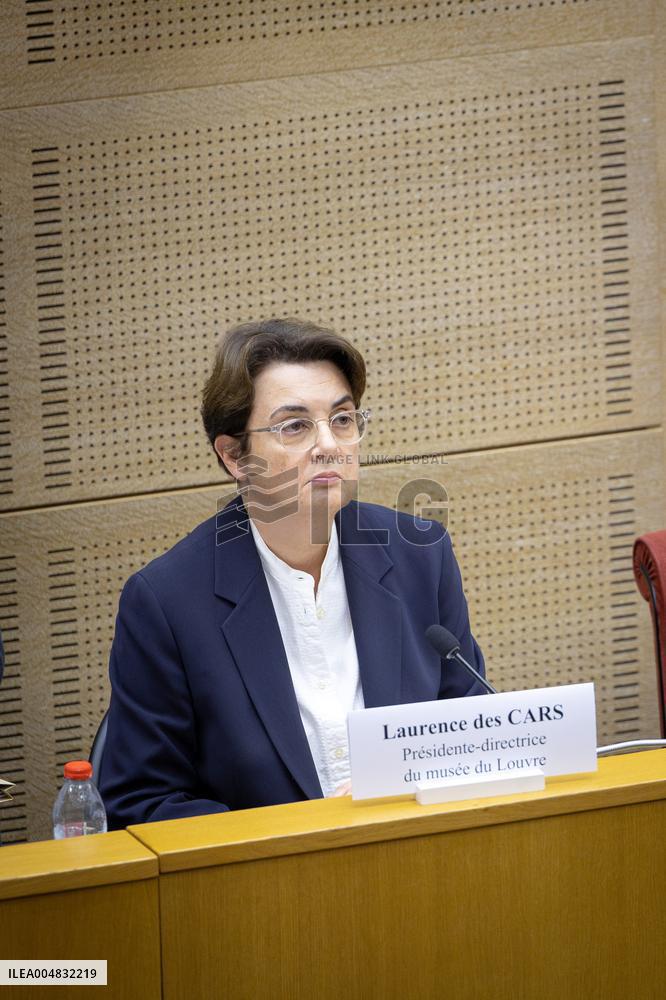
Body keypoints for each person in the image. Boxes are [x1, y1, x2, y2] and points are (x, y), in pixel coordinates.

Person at [98, 318, 486, 828]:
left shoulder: (420, 555)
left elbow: (472, 734)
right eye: (295, 426)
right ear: (236, 456)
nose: (329, 444)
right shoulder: (167, 602)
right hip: (266, 891)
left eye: (342, 419)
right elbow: (144, 800)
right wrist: (294, 838)